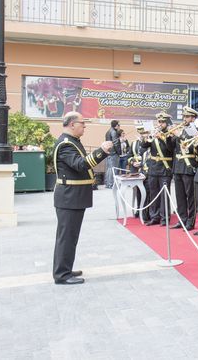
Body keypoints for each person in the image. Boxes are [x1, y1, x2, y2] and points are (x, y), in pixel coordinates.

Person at [52, 112, 112, 284]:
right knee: (66, 237)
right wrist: (102, 151)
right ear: (72, 124)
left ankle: (66, 269)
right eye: (82, 123)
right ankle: (62, 275)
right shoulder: (66, 144)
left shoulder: (72, 142)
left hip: (73, 197)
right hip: (69, 197)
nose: (85, 126)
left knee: (71, 237)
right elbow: (80, 165)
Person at [170, 107, 198, 231]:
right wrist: (168, 136)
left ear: (193, 118)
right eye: (184, 117)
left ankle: (190, 221)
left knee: (191, 197)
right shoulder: (181, 130)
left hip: (188, 166)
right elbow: (171, 147)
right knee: (180, 196)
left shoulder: (196, 130)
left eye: (187, 117)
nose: (185, 119)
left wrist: (180, 135)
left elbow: (192, 145)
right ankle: (182, 219)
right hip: (178, 166)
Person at [144, 113, 174, 226]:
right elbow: (143, 147)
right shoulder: (154, 133)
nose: (160, 124)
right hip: (153, 168)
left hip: (165, 168)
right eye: (159, 122)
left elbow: (171, 149)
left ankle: (164, 218)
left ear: (167, 123)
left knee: (164, 195)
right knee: (154, 193)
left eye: (162, 122)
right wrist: (147, 138)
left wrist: (161, 138)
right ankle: (154, 216)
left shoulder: (170, 134)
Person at [127, 125, 149, 218]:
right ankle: (139, 209)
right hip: (135, 170)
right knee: (138, 191)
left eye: (143, 133)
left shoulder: (149, 142)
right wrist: (132, 161)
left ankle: (146, 212)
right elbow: (129, 155)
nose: (142, 135)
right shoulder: (134, 143)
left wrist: (141, 163)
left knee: (147, 192)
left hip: (146, 169)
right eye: (140, 133)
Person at [104, 120, 121, 188]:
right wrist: (119, 152)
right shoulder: (114, 132)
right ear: (116, 125)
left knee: (109, 169)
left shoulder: (108, 131)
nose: (119, 126)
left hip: (108, 152)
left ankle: (107, 183)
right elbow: (116, 143)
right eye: (118, 125)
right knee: (113, 169)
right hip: (113, 153)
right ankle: (111, 184)